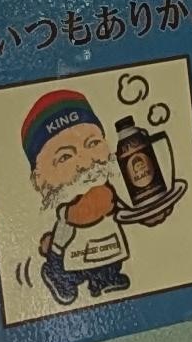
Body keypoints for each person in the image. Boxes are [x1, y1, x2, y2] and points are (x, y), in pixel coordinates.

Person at [21, 84, 133, 301]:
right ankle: (58, 278)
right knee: (69, 267)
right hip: (70, 250)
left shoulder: (111, 184)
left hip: (107, 242)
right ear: (39, 178)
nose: (85, 162)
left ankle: (105, 279)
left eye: (92, 143)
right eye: (64, 157)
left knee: (110, 261)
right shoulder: (68, 201)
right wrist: (100, 201)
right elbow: (81, 214)